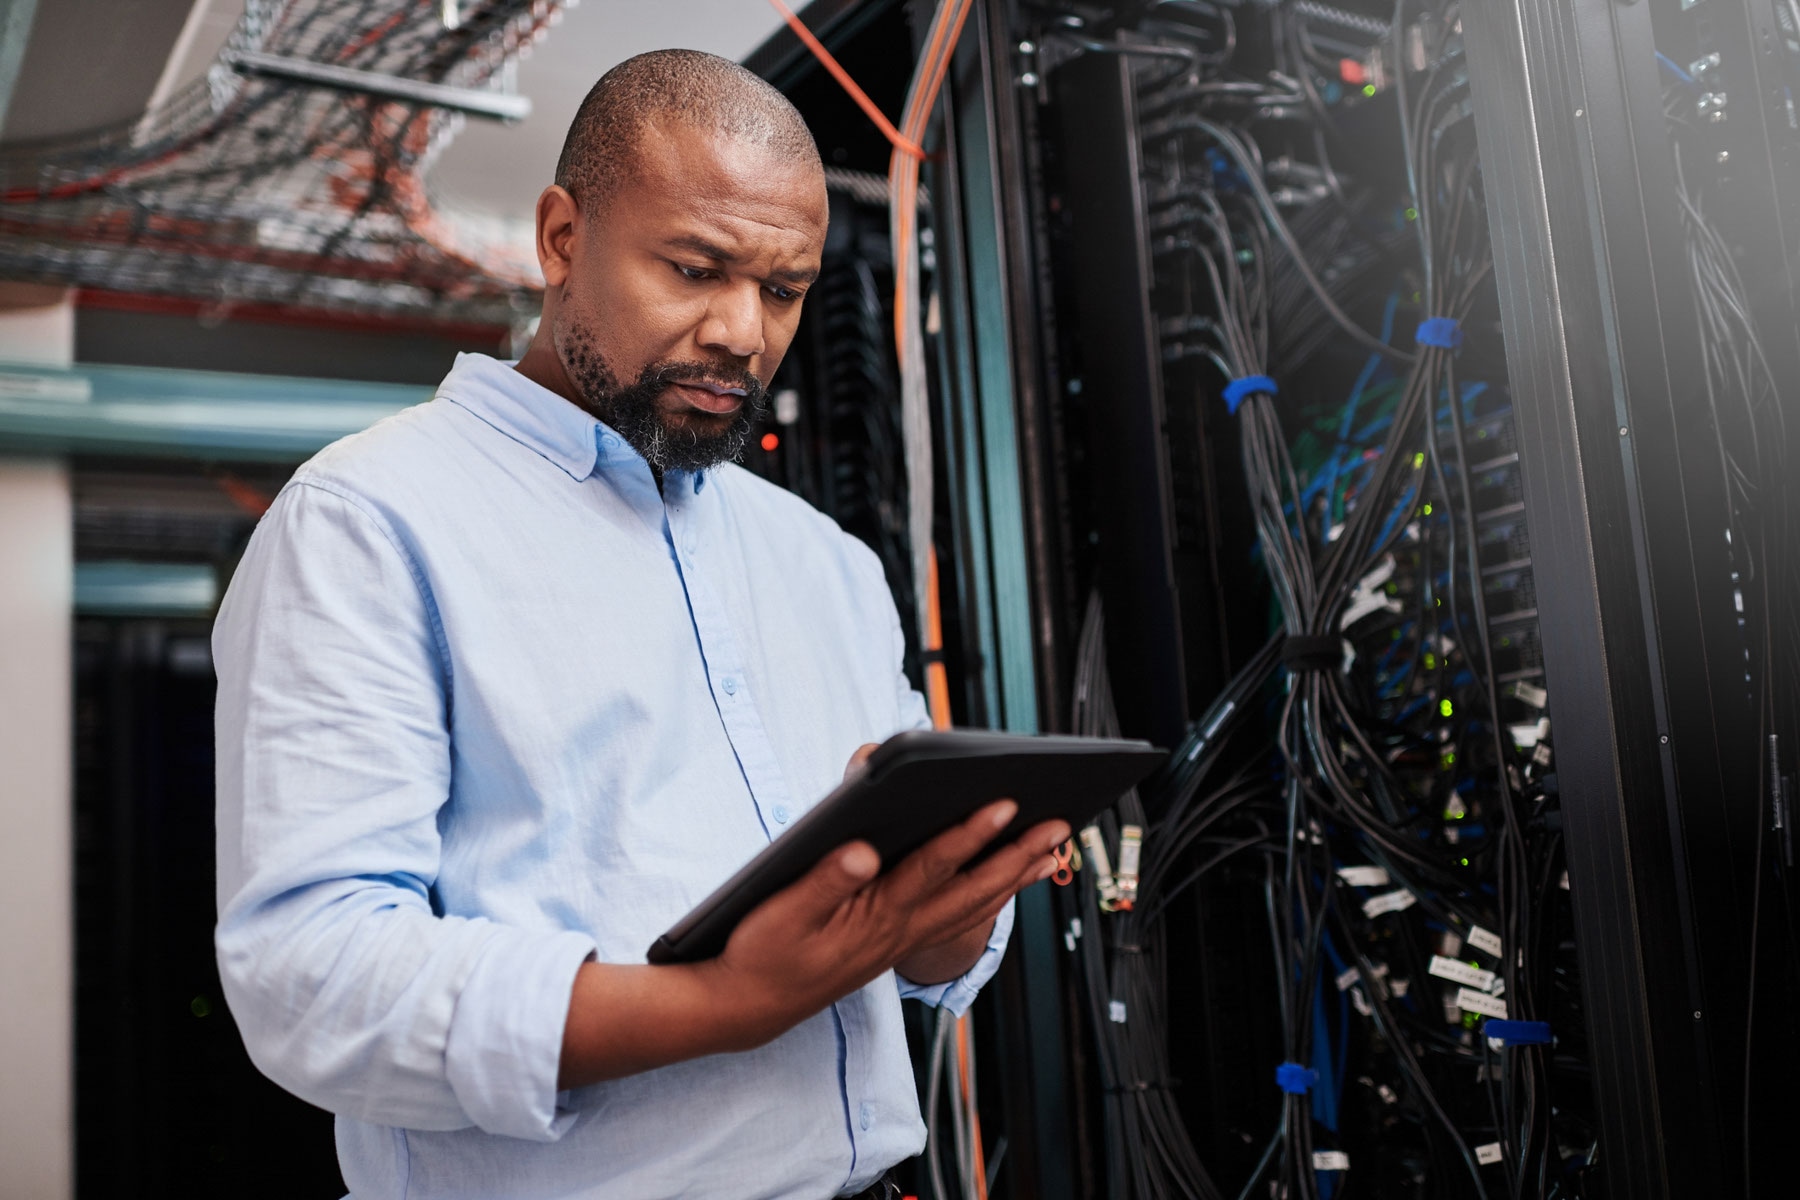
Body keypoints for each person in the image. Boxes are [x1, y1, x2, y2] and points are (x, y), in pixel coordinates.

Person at [212, 48, 1067, 1200]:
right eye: (697, 267)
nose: (741, 333)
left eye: (782, 289)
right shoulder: (369, 522)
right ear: (561, 237)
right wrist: (717, 1005)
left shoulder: (825, 565)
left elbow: (922, 968)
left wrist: (942, 908)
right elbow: (315, 980)